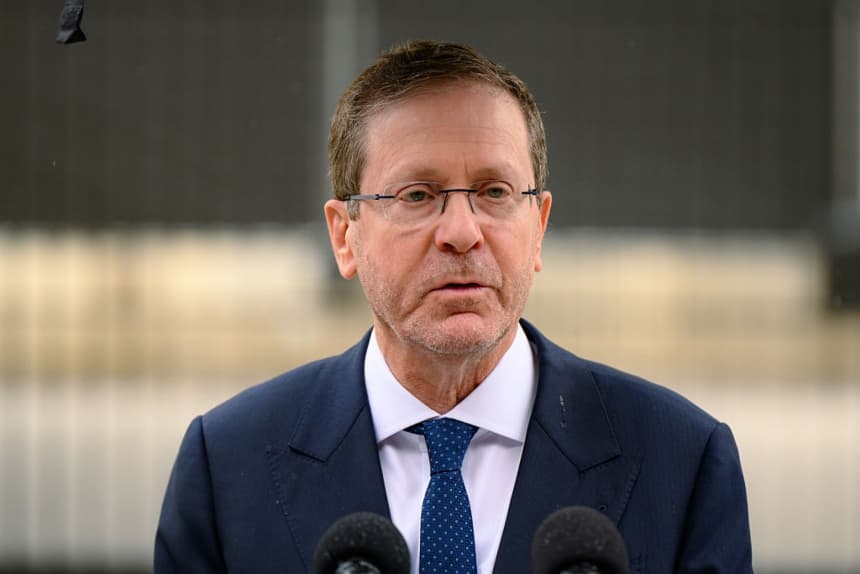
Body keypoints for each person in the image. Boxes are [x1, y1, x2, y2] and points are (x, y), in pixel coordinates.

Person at [154, 40, 753, 573]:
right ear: (345, 236)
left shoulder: (681, 461)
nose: (462, 231)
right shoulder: (227, 466)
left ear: (538, 226)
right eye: (418, 195)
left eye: (494, 192)